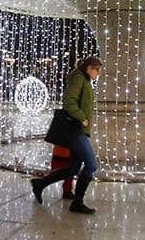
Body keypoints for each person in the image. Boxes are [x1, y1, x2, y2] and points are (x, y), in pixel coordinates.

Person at [30, 56, 102, 214]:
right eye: (97, 70)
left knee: (73, 168)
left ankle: (40, 184)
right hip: (75, 129)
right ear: (90, 68)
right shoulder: (78, 78)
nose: (98, 74)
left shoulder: (84, 79)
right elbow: (69, 102)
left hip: (79, 130)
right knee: (91, 165)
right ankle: (77, 203)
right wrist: (82, 118)